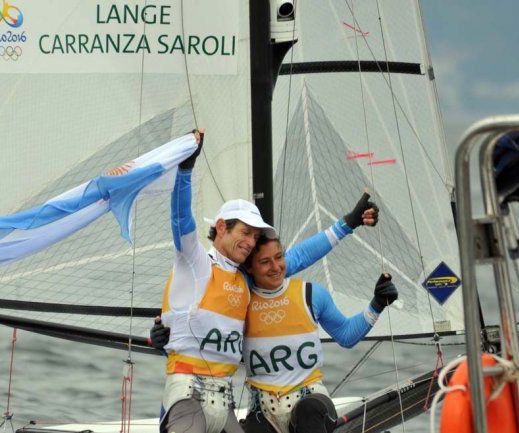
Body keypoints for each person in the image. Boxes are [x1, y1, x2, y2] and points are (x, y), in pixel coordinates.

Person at [157, 129, 379, 433]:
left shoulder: (244, 279)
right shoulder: (195, 262)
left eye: (254, 236)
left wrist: (348, 224)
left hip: (225, 406)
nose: (250, 242)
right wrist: (185, 169)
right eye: (244, 233)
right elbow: (182, 221)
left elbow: (294, 257)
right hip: (188, 398)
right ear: (221, 227)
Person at [241, 236, 397, 433]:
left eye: (279, 257)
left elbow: (346, 335)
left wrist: (377, 304)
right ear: (249, 268)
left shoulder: (311, 293)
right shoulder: (241, 301)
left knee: (309, 410)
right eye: (265, 262)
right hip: (262, 411)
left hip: (311, 402)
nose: (276, 267)